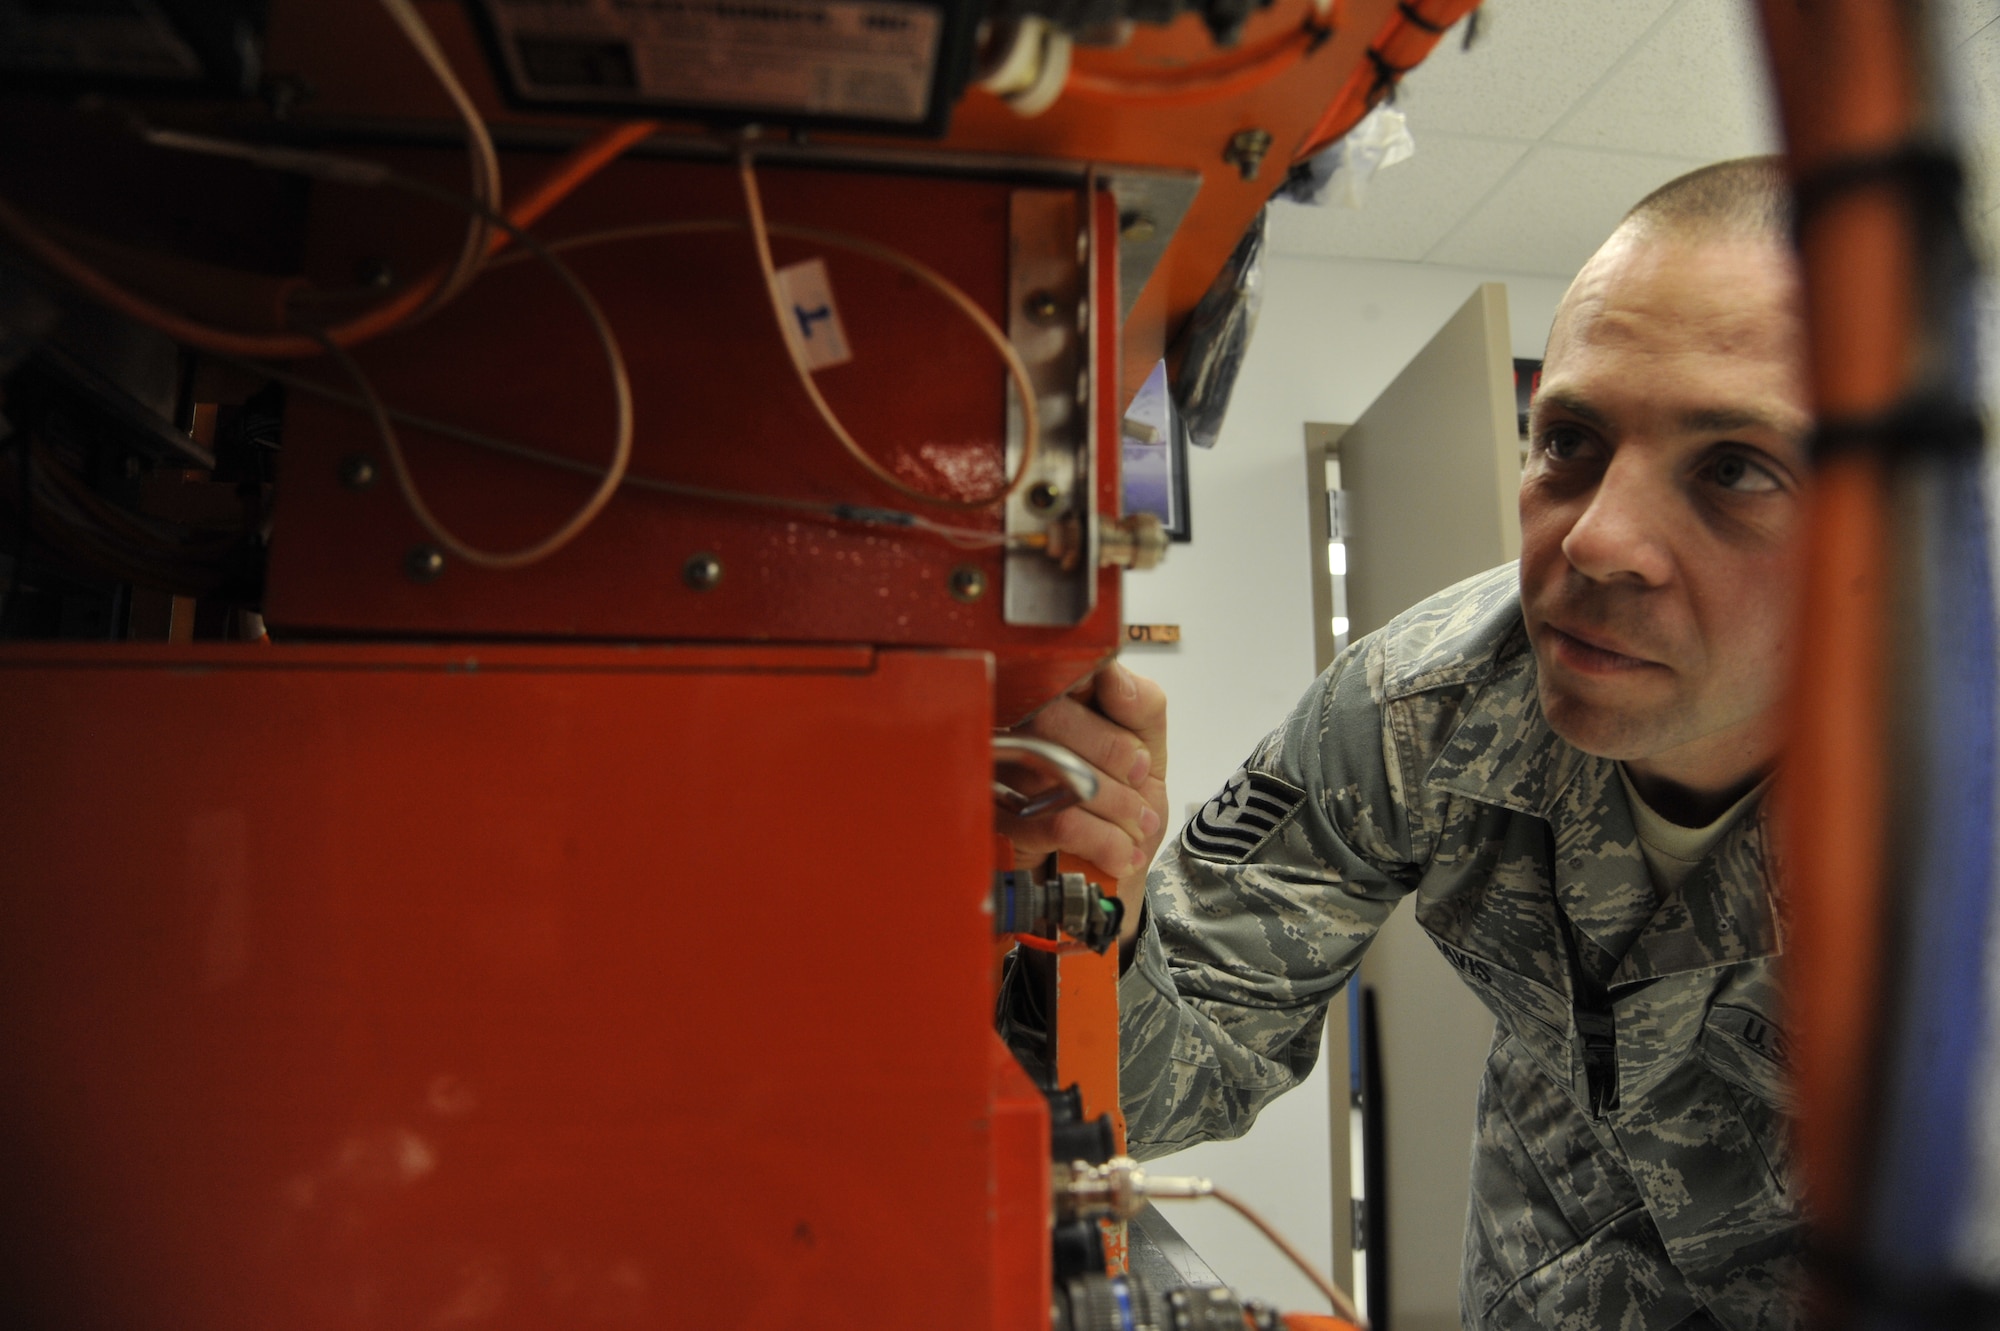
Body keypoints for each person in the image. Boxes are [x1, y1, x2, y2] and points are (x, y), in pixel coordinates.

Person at [1014, 157, 1811, 1331]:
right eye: (1570, 441)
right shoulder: (1419, 707)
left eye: (1734, 469)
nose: (1595, 542)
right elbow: (1163, 1079)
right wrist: (1103, 908)